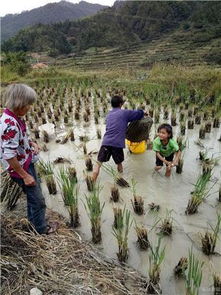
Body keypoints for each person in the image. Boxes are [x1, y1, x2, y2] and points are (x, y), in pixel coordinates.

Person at [0, 83, 57, 234]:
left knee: (33, 199)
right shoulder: (10, 124)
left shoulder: (13, 118)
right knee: (39, 202)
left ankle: (33, 225)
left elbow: (19, 139)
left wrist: (30, 143)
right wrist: (25, 176)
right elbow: (9, 154)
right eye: (28, 104)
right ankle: (40, 231)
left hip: (24, 163)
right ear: (19, 104)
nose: (30, 108)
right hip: (21, 168)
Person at [93, 95, 144, 181]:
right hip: (117, 143)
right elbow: (139, 114)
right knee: (119, 163)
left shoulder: (109, 115)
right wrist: (142, 112)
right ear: (121, 104)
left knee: (98, 163)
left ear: (112, 104)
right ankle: (120, 179)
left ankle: (92, 181)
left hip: (106, 142)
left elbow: (108, 128)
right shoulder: (124, 113)